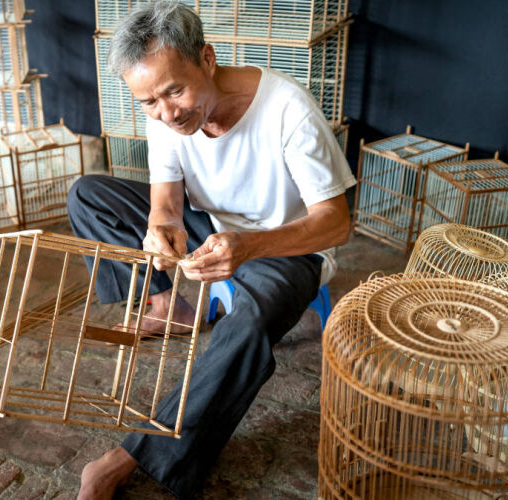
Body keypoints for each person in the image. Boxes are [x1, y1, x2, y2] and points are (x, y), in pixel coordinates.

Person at [67, 2, 355, 498]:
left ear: (207, 58)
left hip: (288, 247)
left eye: (174, 91)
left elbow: (336, 224)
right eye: (149, 102)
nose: (166, 113)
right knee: (88, 196)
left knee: (249, 322)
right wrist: (161, 229)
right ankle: (172, 302)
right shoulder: (167, 115)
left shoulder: (287, 109)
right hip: (217, 234)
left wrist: (249, 247)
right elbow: (165, 205)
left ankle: (134, 454)